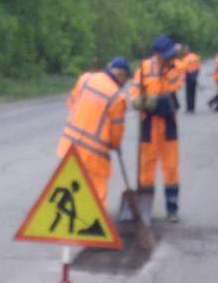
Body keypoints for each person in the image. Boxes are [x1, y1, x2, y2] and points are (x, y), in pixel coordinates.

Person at [57, 56, 132, 206]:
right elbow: (115, 134)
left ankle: (68, 224)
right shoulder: (117, 97)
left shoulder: (85, 79)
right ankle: (94, 227)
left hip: (68, 147)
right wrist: (115, 145)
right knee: (97, 197)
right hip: (94, 156)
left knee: (69, 191)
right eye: (126, 79)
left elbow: (72, 103)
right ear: (120, 74)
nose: (125, 84)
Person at [130, 34, 185, 222]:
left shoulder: (176, 67)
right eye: (166, 56)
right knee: (147, 167)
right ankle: (146, 209)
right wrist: (142, 100)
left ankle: (172, 209)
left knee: (171, 166)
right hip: (149, 122)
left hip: (169, 121)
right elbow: (135, 94)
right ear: (157, 55)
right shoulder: (144, 68)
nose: (169, 58)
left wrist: (158, 99)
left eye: (171, 55)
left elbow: (175, 86)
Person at [179, 46, 201, 112]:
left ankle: (189, 108)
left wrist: (182, 78)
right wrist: (196, 75)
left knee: (188, 93)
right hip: (194, 76)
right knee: (193, 93)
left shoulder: (185, 58)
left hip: (188, 77)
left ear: (186, 51)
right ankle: (192, 108)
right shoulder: (195, 56)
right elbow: (198, 67)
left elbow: (182, 69)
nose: (184, 52)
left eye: (185, 51)